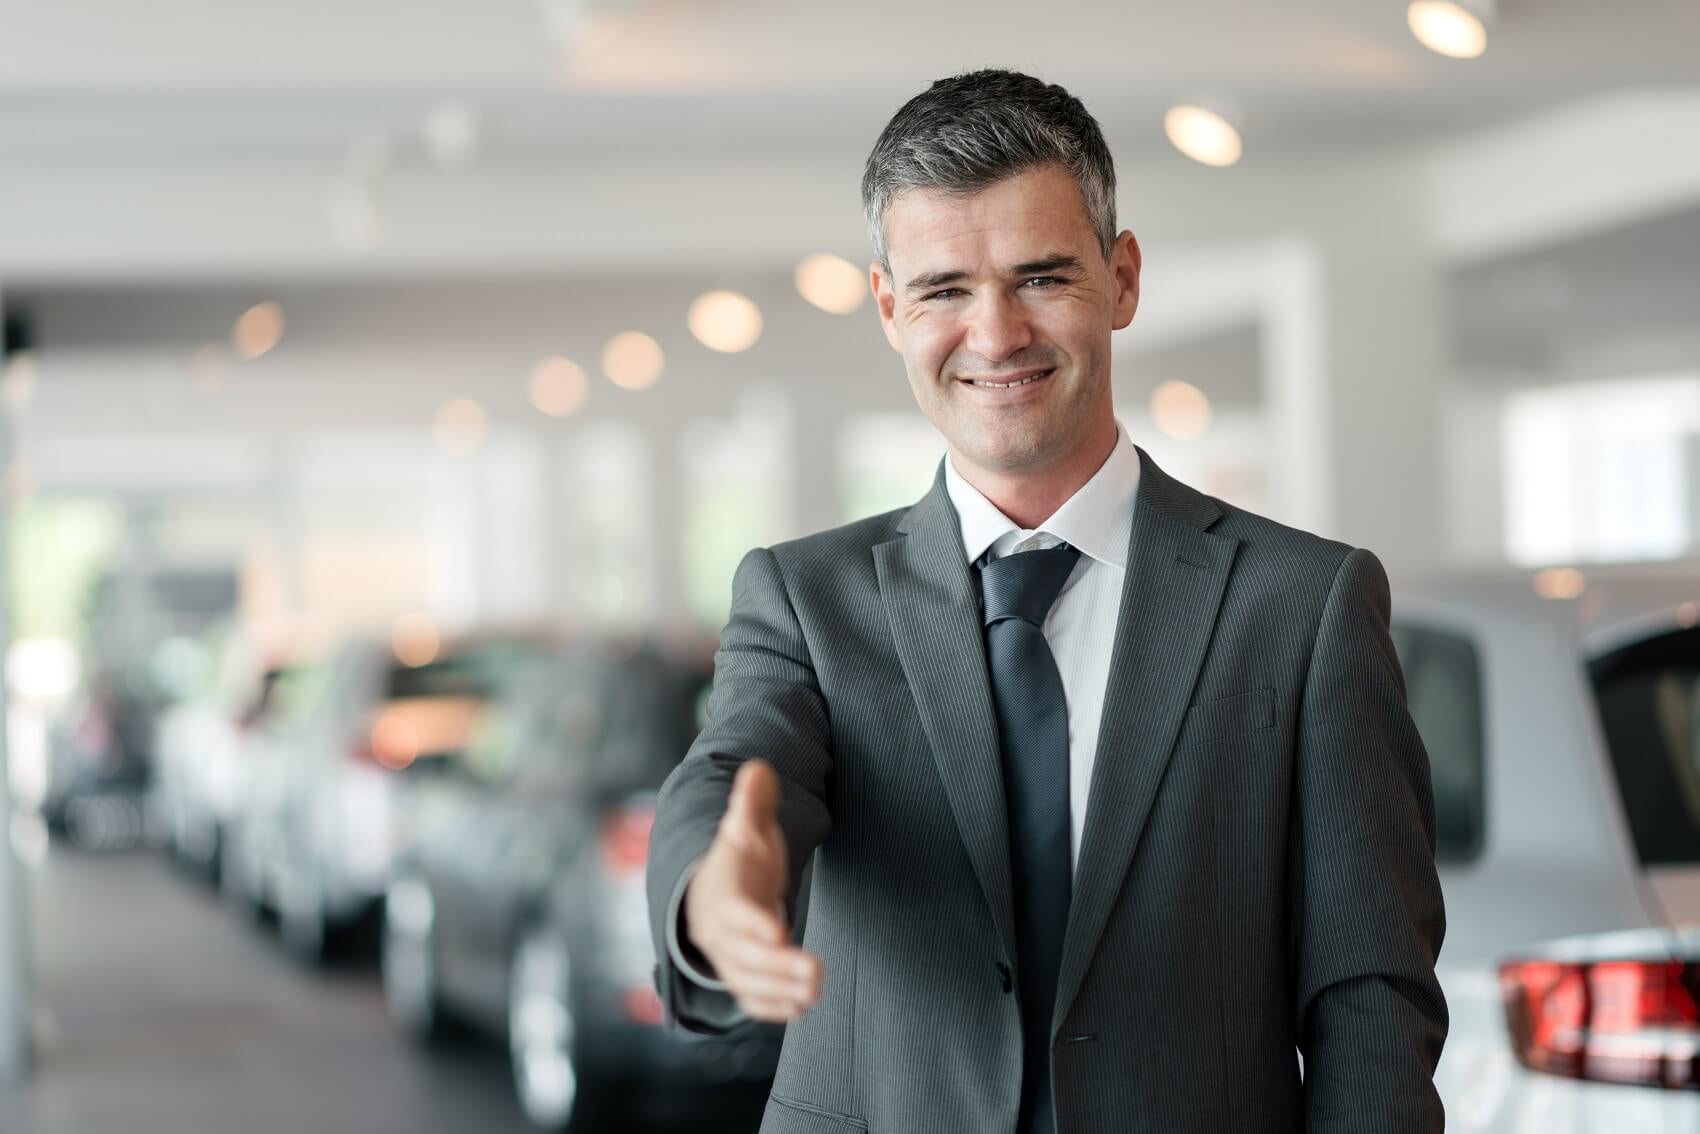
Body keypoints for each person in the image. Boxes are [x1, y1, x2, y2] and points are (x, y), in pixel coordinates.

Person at [647, 68, 1447, 1134]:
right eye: (942, 290)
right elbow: (740, 770)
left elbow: (1368, 1000)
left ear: (1120, 280)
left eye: (1041, 278)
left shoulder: (1302, 605)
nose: (995, 335)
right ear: (888, 307)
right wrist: (715, 889)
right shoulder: (805, 601)